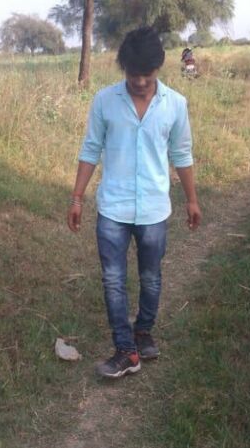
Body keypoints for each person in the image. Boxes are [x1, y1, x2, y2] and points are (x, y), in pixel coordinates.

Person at [67, 27, 202, 379]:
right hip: (113, 208)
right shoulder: (104, 101)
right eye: (133, 74)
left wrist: (191, 200)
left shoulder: (175, 104)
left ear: (159, 67)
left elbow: (181, 153)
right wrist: (77, 197)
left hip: (155, 209)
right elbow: (91, 149)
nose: (140, 82)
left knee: (150, 277)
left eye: (148, 74)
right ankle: (126, 350)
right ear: (123, 68)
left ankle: (143, 331)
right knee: (113, 279)